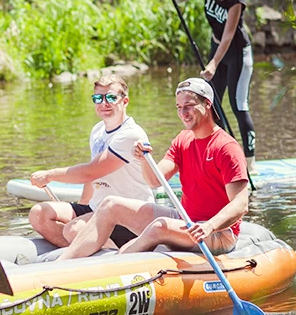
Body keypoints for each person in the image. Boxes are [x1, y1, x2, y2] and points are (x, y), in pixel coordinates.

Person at [58, 78, 249, 260]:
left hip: (218, 232)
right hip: (185, 219)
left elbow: (241, 204)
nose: (183, 113)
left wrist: (210, 226)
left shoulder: (226, 147)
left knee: (159, 226)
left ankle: (118, 261)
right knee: (110, 204)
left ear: (207, 104)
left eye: (189, 106)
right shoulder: (183, 140)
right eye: (179, 107)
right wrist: (142, 159)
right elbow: (154, 180)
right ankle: (59, 266)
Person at [28, 74, 153, 249]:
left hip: (130, 216)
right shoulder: (98, 130)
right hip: (98, 209)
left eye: (111, 97)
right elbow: (92, 179)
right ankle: (83, 252)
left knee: (74, 229)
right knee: (39, 214)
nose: (104, 103)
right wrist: (82, 207)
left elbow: (90, 171)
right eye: (98, 98)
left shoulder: (131, 134)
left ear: (125, 101)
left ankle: (117, 258)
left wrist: (49, 175)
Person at [160, 0, 257, 172]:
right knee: (213, 107)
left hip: (237, 54)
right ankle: (220, 156)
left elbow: (229, 36)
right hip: (217, 48)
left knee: (238, 105)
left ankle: (250, 163)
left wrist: (213, 63)